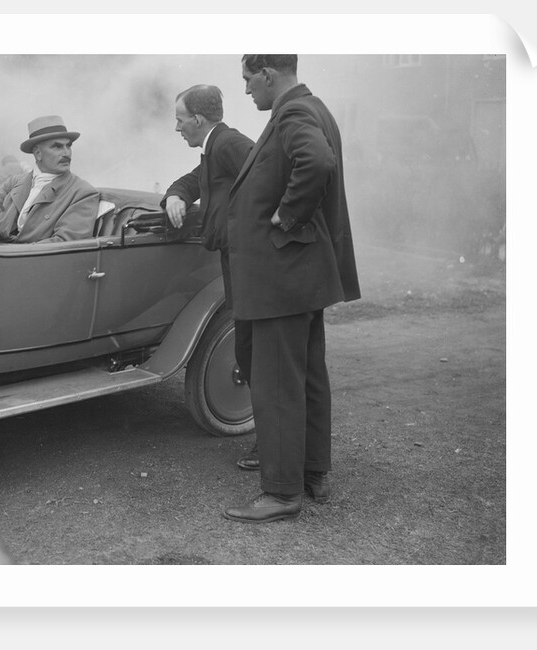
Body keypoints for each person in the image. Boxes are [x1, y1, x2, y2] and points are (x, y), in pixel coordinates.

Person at [223, 55, 360, 524]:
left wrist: (288, 214)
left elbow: (316, 161)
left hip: (282, 275)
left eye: (247, 80)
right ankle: (312, 472)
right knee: (306, 377)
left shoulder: (294, 112)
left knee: (278, 383)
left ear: (267, 73)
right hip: (299, 273)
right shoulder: (312, 107)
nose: (245, 91)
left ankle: (282, 493)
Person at [160, 84, 254, 396]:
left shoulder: (228, 143)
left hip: (248, 258)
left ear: (198, 120)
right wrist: (176, 196)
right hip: (236, 257)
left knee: (253, 341)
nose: (177, 127)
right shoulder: (215, 147)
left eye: (180, 119)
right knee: (247, 338)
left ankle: (267, 430)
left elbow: (268, 178)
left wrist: (243, 228)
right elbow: (192, 180)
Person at [0, 115, 99, 243]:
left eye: (68, 146)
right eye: (57, 147)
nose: (66, 153)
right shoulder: (14, 183)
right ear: (38, 153)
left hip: (33, 259)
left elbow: (64, 243)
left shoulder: (82, 192)